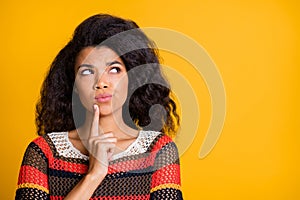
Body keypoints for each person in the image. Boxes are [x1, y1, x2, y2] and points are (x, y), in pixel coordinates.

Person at [15, 14, 183, 199]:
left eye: (114, 69)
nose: (101, 82)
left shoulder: (158, 149)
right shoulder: (43, 152)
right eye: (87, 71)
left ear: (132, 78)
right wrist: (94, 175)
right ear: (74, 86)